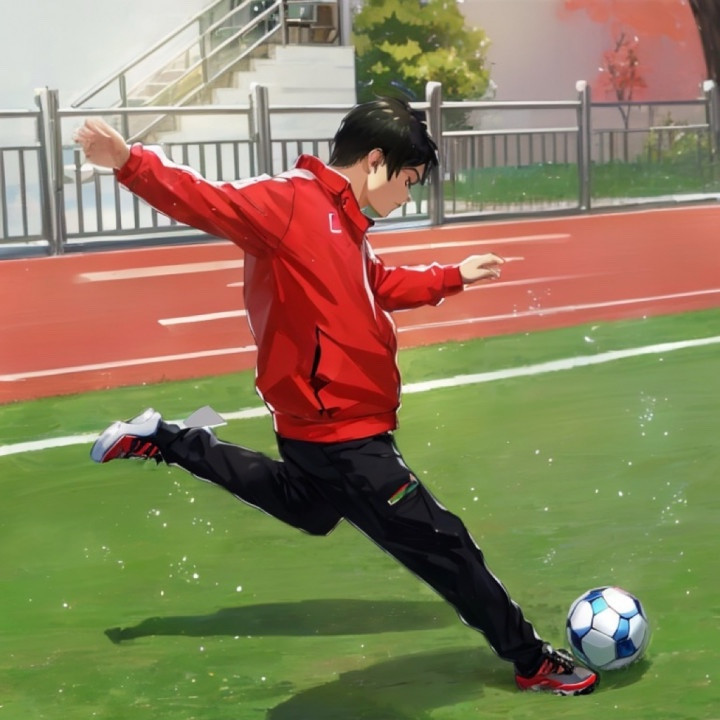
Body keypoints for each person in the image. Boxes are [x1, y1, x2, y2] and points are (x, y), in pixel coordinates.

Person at [74, 98, 597, 696]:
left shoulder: (346, 223)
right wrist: (127, 161)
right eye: (408, 180)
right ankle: (532, 660)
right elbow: (206, 199)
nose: (408, 196)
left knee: (311, 509)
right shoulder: (291, 203)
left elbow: (376, 285)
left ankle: (169, 439)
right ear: (375, 161)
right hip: (343, 435)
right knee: (443, 543)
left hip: (323, 429)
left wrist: (452, 276)